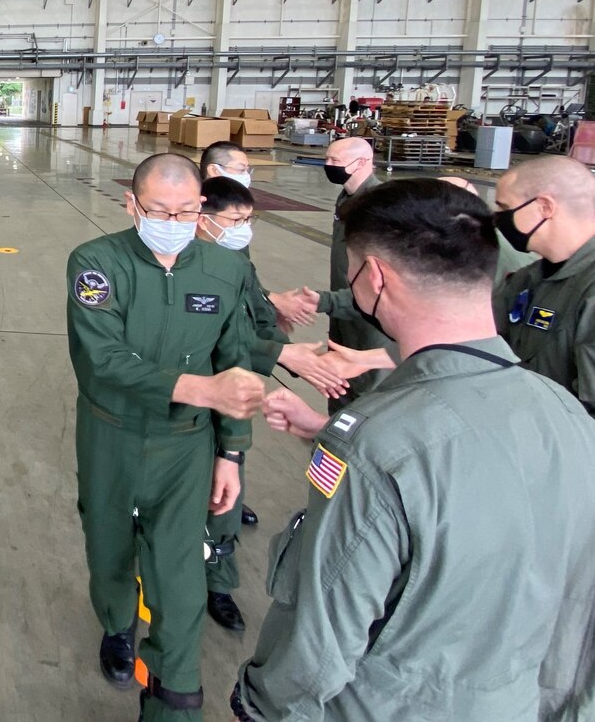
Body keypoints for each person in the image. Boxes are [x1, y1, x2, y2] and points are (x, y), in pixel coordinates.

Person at [235, 179, 595, 722]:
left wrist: (258, 707)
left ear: (375, 277)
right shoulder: (566, 414)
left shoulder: (374, 440)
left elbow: (320, 638)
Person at [66, 153, 264, 721]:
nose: (172, 223)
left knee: (180, 575)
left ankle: (173, 691)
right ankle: (116, 624)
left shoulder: (225, 271)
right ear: (132, 205)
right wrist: (201, 390)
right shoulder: (97, 264)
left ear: (201, 207)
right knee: (108, 546)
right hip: (111, 434)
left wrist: (231, 452)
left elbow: (235, 364)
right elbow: (101, 361)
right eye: (158, 211)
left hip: (187, 445)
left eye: (185, 212)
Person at [193, 177, 349, 635]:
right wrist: (283, 355)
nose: (244, 228)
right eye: (235, 220)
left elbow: (257, 319)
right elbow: (217, 340)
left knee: (227, 491)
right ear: (204, 218)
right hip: (197, 392)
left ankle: (219, 584)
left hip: (233, 399)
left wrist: (293, 354)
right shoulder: (186, 268)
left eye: (248, 220)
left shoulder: (238, 261)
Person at [272, 136, 391, 407]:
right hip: (343, 305)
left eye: (335, 161)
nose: (328, 165)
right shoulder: (347, 197)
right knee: (338, 375)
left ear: (361, 163)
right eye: (327, 159)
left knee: (366, 382)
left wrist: (327, 301)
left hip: (367, 315)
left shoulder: (379, 204)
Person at [492, 155, 595, 413]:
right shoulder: (527, 279)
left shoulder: (589, 290)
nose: (498, 219)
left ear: (544, 207)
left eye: (505, 208)